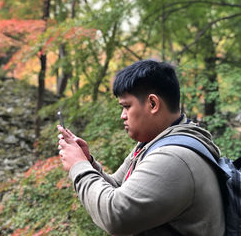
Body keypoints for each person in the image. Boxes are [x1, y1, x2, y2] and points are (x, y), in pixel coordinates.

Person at [57, 59, 225, 235]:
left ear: (152, 104)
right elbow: (117, 187)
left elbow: (115, 215)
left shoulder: (173, 157)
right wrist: (88, 162)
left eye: (126, 106)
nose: (122, 116)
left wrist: (78, 166)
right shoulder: (153, 143)